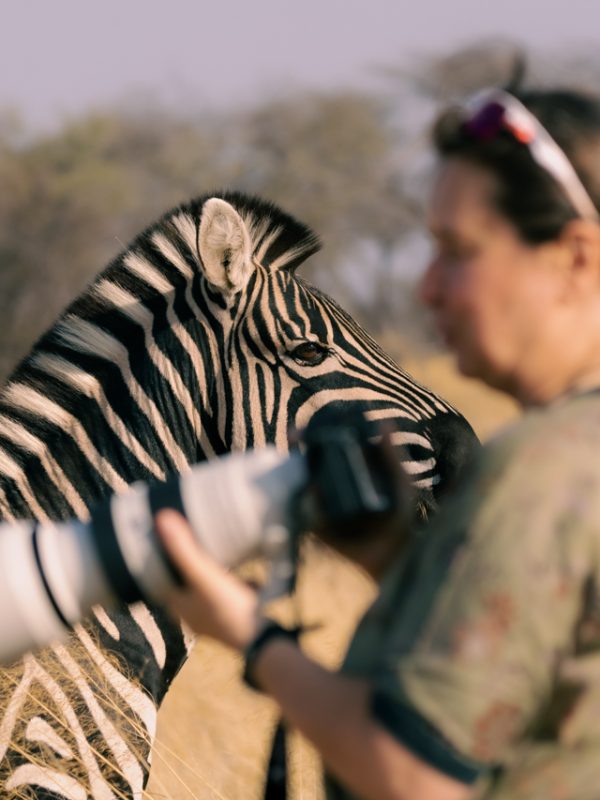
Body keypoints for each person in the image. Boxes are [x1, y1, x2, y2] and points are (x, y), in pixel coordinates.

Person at [155, 85, 600, 799]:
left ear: (576, 256)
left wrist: (252, 637)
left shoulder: (542, 470)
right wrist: (395, 566)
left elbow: (413, 778)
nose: (427, 288)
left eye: (459, 252)